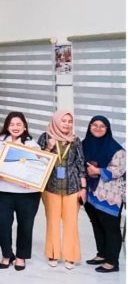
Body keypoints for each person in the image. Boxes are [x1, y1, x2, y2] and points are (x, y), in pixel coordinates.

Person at [0, 112, 41, 271]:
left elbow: (39, 167)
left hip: (27, 193)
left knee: (25, 225)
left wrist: (32, 179)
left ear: (24, 126)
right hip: (3, 190)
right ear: (7, 126)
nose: (15, 127)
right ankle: (7, 254)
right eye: (12, 124)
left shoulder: (32, 144)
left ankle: (21, 256)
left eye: (19, 124)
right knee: (2, 224)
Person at [38, 110, 86, 270]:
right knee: (52, 221)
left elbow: (81, 164)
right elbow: (38, 161)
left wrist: (83, 188)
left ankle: (70, 256)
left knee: (71, 223)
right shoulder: (45, 137)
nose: (67, 124)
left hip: (72, 187)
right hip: (51, 187)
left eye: (70, 121)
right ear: (56, 121)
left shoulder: (75, 140)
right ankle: (53, 253)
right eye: (63, 121)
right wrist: (49, 147)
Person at [82, 116, 124, 274]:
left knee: (110, 227)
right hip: (91, 193)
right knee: (97, 224)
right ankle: (102, 254)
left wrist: (98, 170)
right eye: (94, 125)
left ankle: (112, 262)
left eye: (102, 126)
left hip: (109, 195)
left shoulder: (116, 149)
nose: (98, 128)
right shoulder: (85, 144)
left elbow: (119, 170)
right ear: (89, 126)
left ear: (107, 129)